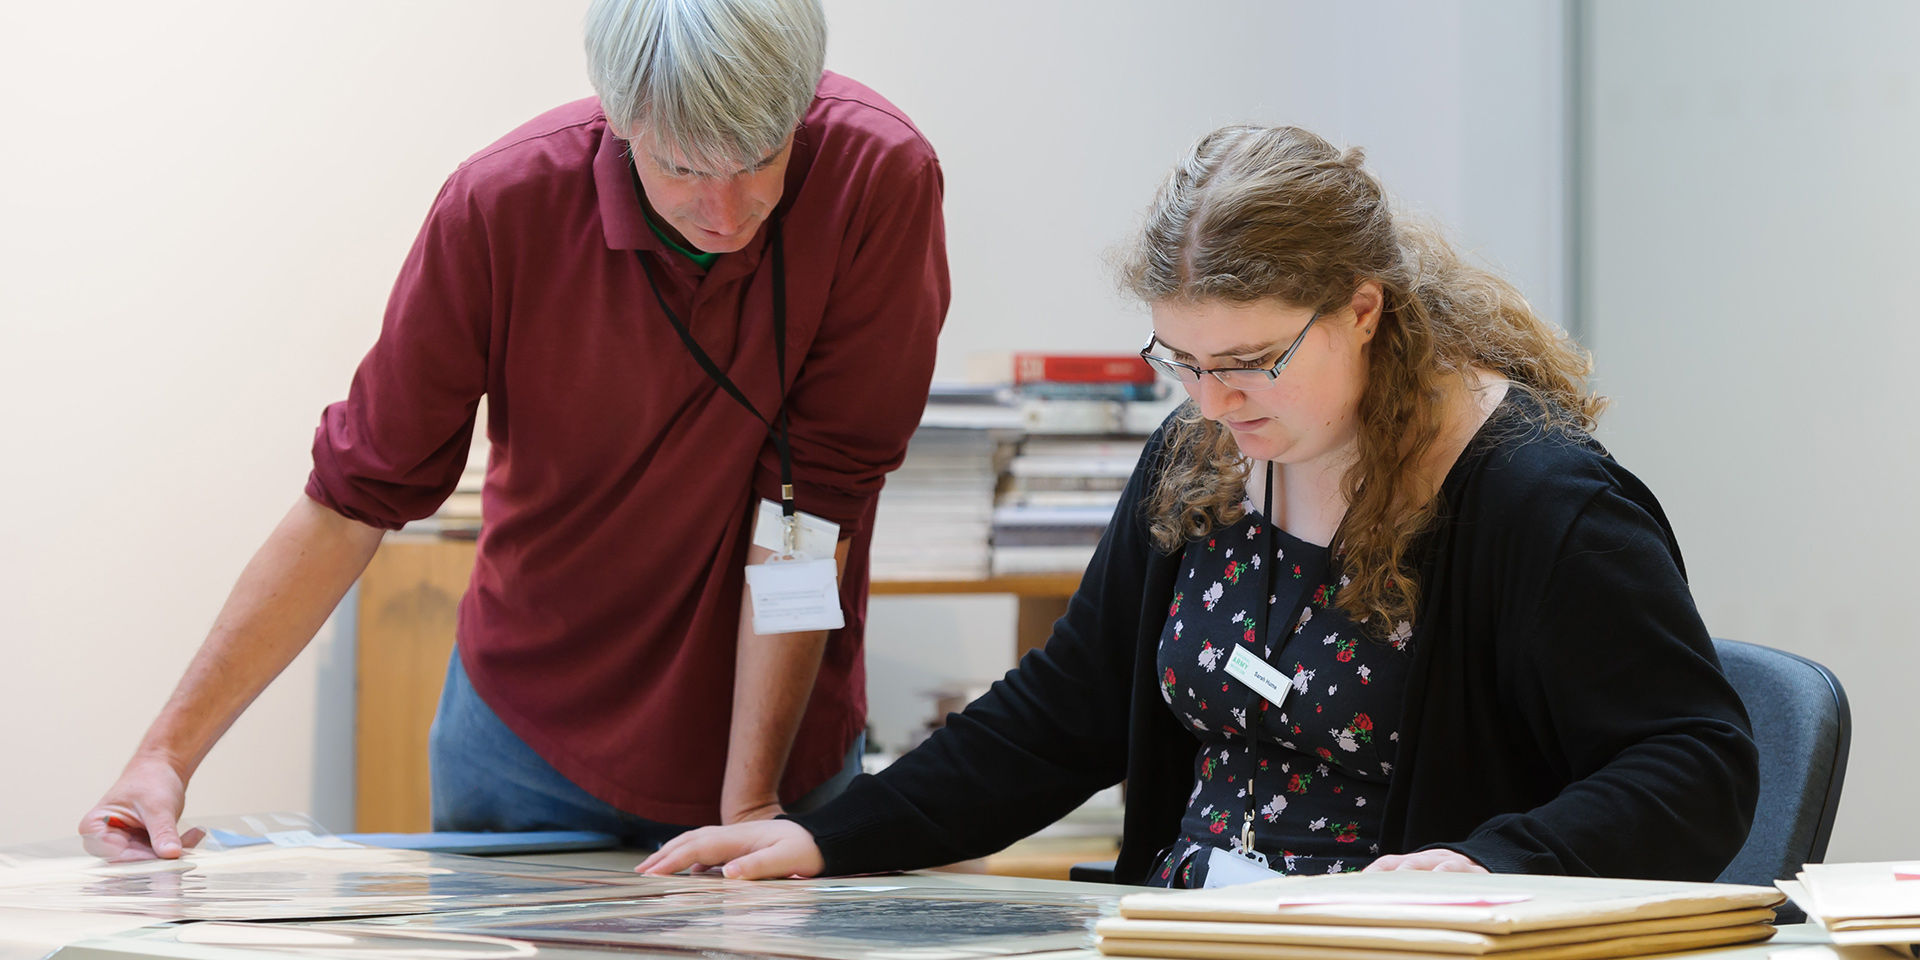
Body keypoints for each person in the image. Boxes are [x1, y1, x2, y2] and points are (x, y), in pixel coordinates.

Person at [637, 125, 1758, 886]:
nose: (1214, 398)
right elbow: (1059, 714)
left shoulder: (1536, 499)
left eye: (1254, 360)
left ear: (1364, 311)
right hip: (1187, 926)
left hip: (1395, 947)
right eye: (1181, 358)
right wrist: (824, 838)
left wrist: (1492, 864)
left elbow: (1698, 763)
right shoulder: (1207, 456)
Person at [80, 0, 947, 860]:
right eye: (683, 166)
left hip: (785, 750)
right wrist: (165, 756)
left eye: (760, 160)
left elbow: (814, 502)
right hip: (528, 747)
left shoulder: (880, 177)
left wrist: (750, 800)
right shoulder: (501, 205)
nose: (724, 210)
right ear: (619, 118)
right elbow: (353, 497)